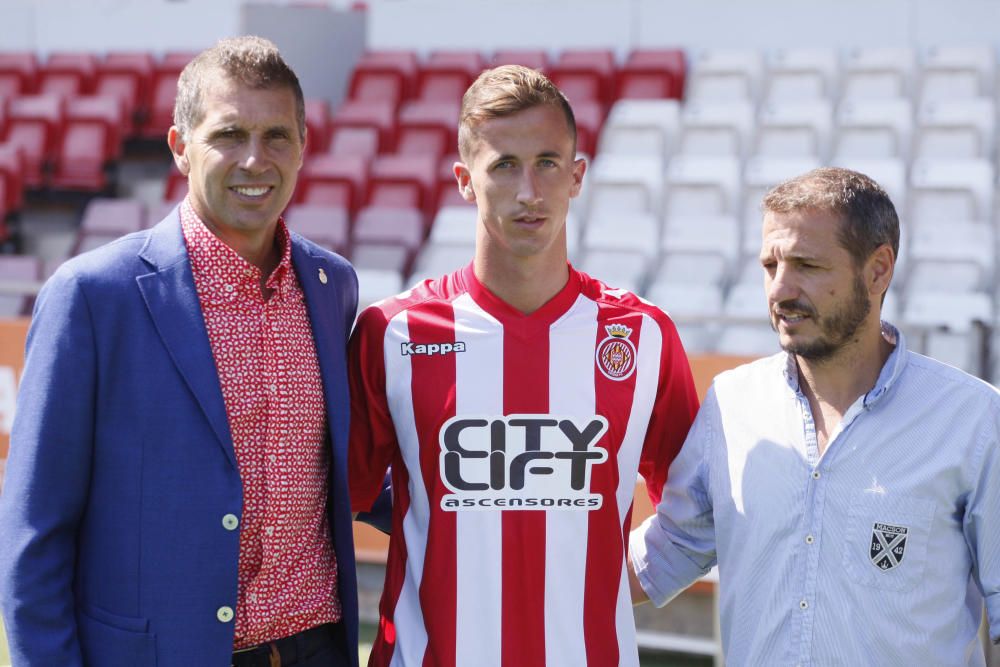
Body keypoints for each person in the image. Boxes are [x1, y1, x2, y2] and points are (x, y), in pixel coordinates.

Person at [0, 36, 362, 667]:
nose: (256, 159)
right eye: (229, 135)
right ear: (179, 148)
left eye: (277, 135)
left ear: (303, 147)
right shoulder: (92, 296)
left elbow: (343, 469)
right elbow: (35, 532)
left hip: (317, 649)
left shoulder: (333, 286)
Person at [347, 64, 699, 667]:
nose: (529, 192)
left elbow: (697, 511)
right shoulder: (393, 333)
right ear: (465, 180)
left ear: (577, 176)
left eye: (547, 163)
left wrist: (609, 588)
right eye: (504, 165)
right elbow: (329, 499)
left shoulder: (641, 337)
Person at [629, 167, 1000, 665]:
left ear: (878, 270)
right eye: (770, 266)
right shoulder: (732, 404)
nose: (781, 289)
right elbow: (668, 550)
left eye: (806, 265)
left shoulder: (974, 421)